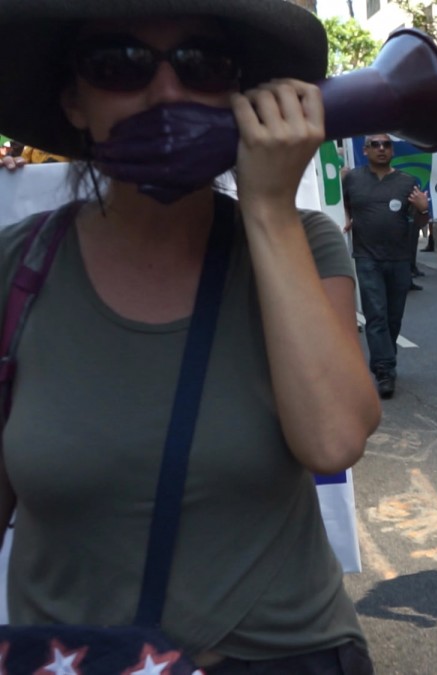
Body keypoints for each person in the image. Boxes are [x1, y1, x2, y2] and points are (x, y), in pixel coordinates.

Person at [0, 0, 383, 672]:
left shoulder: (305, 244)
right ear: (74, 100)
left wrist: (269, 208)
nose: (166, 92)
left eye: (201, 63)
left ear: (240, 95)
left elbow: (333, 440)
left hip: (278, 655)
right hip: (69, 657)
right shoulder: (17, 267)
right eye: (119, 63)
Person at [342, 133, 430, 398]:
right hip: (367, 257)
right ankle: (384, 370)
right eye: (375, 145)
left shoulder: (407, 182)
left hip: (399, 259)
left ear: (392, 150)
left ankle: (385, 359)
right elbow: (341, 202)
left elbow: (419, 223)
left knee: (393, 317)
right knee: (376, 314)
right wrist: (346, 218)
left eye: (386, 145)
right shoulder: (352, 179)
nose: (381, 148)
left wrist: (423, 209)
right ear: (365, 150)